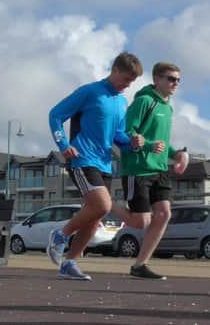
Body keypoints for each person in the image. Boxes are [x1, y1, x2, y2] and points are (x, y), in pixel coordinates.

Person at [47, 52, 144, 280]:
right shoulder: (90, 92)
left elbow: (118, 136)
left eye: (132, 81)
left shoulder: (121, 102)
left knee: (94, 218)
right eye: (127, 79)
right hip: (82, 158)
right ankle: (60, 235)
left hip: (104, 163)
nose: (127, 85)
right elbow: (55, 115)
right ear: (115, 70)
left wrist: (132, 143)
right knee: (102, 205)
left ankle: (69, 263)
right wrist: (63, 144)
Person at [111, 62, 189, 279]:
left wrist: (177, 155)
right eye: (171, 79)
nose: (175, 83)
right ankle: (104, 203)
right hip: (138, 169)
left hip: (160, 169)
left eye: (178, 80)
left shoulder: (168, 106)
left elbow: (163, 143)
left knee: (164, 214)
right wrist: (146, 145)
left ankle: (139, 266)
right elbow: (126, 133)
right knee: (140, 222)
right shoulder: (144, 101)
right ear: (157, 79)